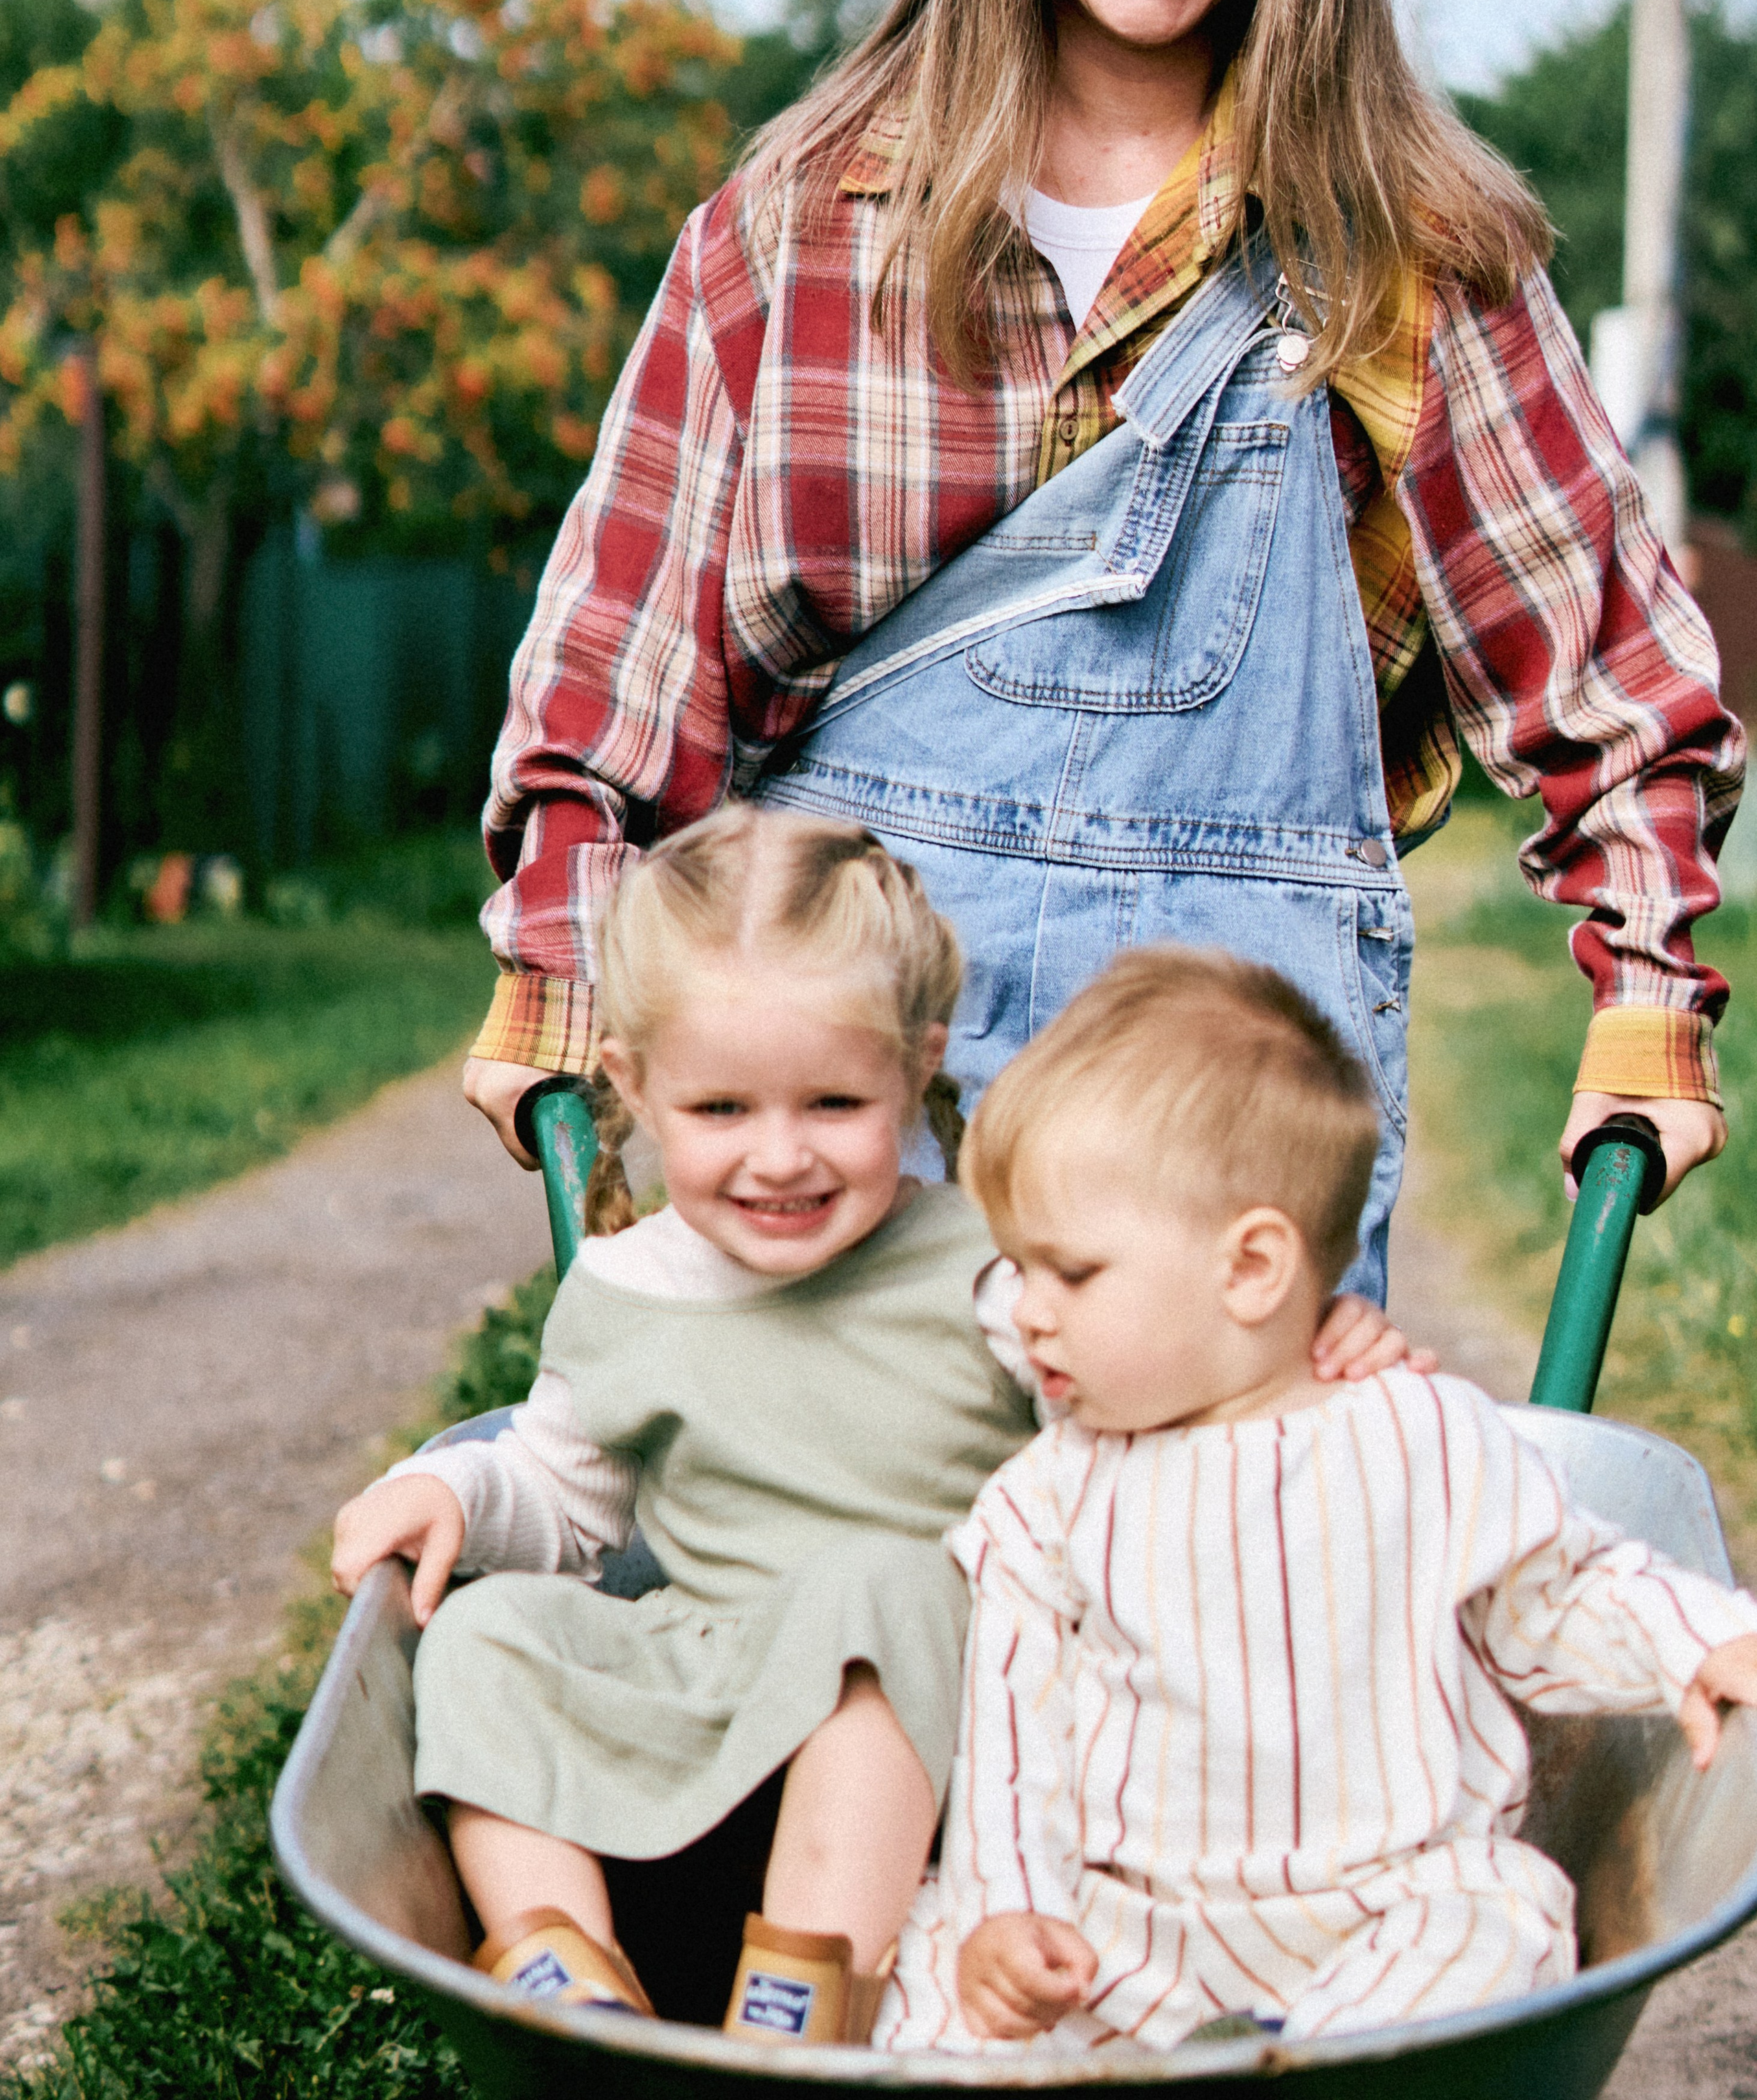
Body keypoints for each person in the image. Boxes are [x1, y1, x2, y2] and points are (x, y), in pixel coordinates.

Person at [461, 0, 1741, 1300]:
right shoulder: (801, 232)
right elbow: (613, 686)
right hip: (850, 1095)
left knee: (1221, 1556)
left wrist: (1646, 993)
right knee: (838, 1553)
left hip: (1225, 1136)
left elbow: (1612, 682)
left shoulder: (1402, 256)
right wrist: (559, 978)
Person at [330, 809, 1432, 2040]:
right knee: (486, 1636)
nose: (781, 1158)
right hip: (718, 1669)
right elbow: (568, 1497)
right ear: (637, 1085)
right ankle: (568, 1973)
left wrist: (1296, 1353)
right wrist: (466, 1497)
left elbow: (1154, 1397)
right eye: (723, 1111)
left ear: (919, 1068)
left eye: (836, 1103)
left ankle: (804, 2008)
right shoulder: (627, 1290)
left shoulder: (993, 1272)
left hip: (949, 1692)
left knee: (879, 1584)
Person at [875, 946, 1757, 2055]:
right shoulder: (1044, 1502)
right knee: (924, 1954)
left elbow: (1558, 1593)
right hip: (1135, 1928)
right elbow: (1015, 1738)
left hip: (1388, 1901)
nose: (1024, 1314)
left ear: (1251, 1269)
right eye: (1013, 1269)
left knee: (1511, 1918)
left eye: (1070, 1274)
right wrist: (1010, 1911)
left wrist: (1700, 1639)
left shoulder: (1413, 1435)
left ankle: (1302, 2066)